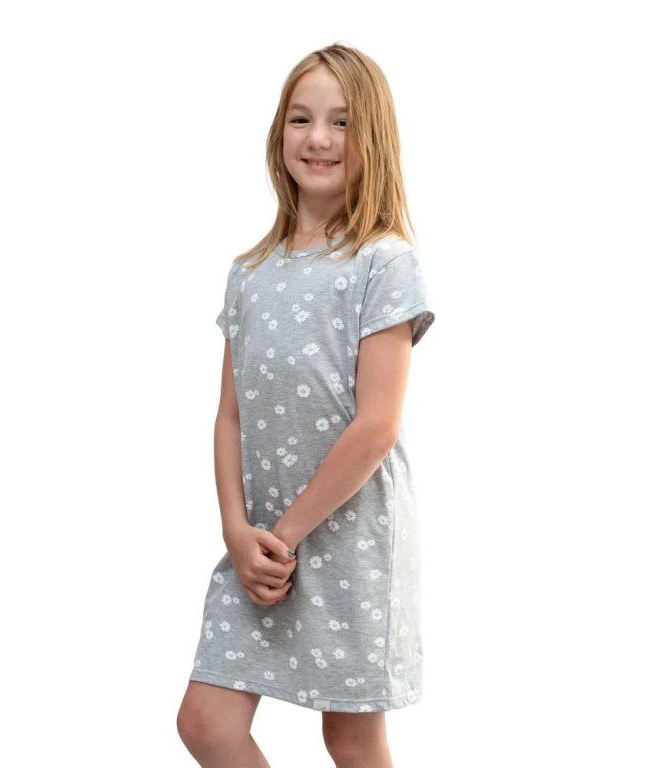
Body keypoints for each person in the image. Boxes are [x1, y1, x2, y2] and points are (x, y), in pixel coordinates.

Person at [177, 43, 436, 768]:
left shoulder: (383, 262)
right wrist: (237, 529)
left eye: (341, 122)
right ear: (279, 133)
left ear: (373, 137)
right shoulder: (250, 272)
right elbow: (229, 415)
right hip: (258, 545)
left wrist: (285, 537)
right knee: (206, 722)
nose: (319, 138)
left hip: (348, 540)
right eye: (301, 119)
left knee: (348, 737)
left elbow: (377, 425)